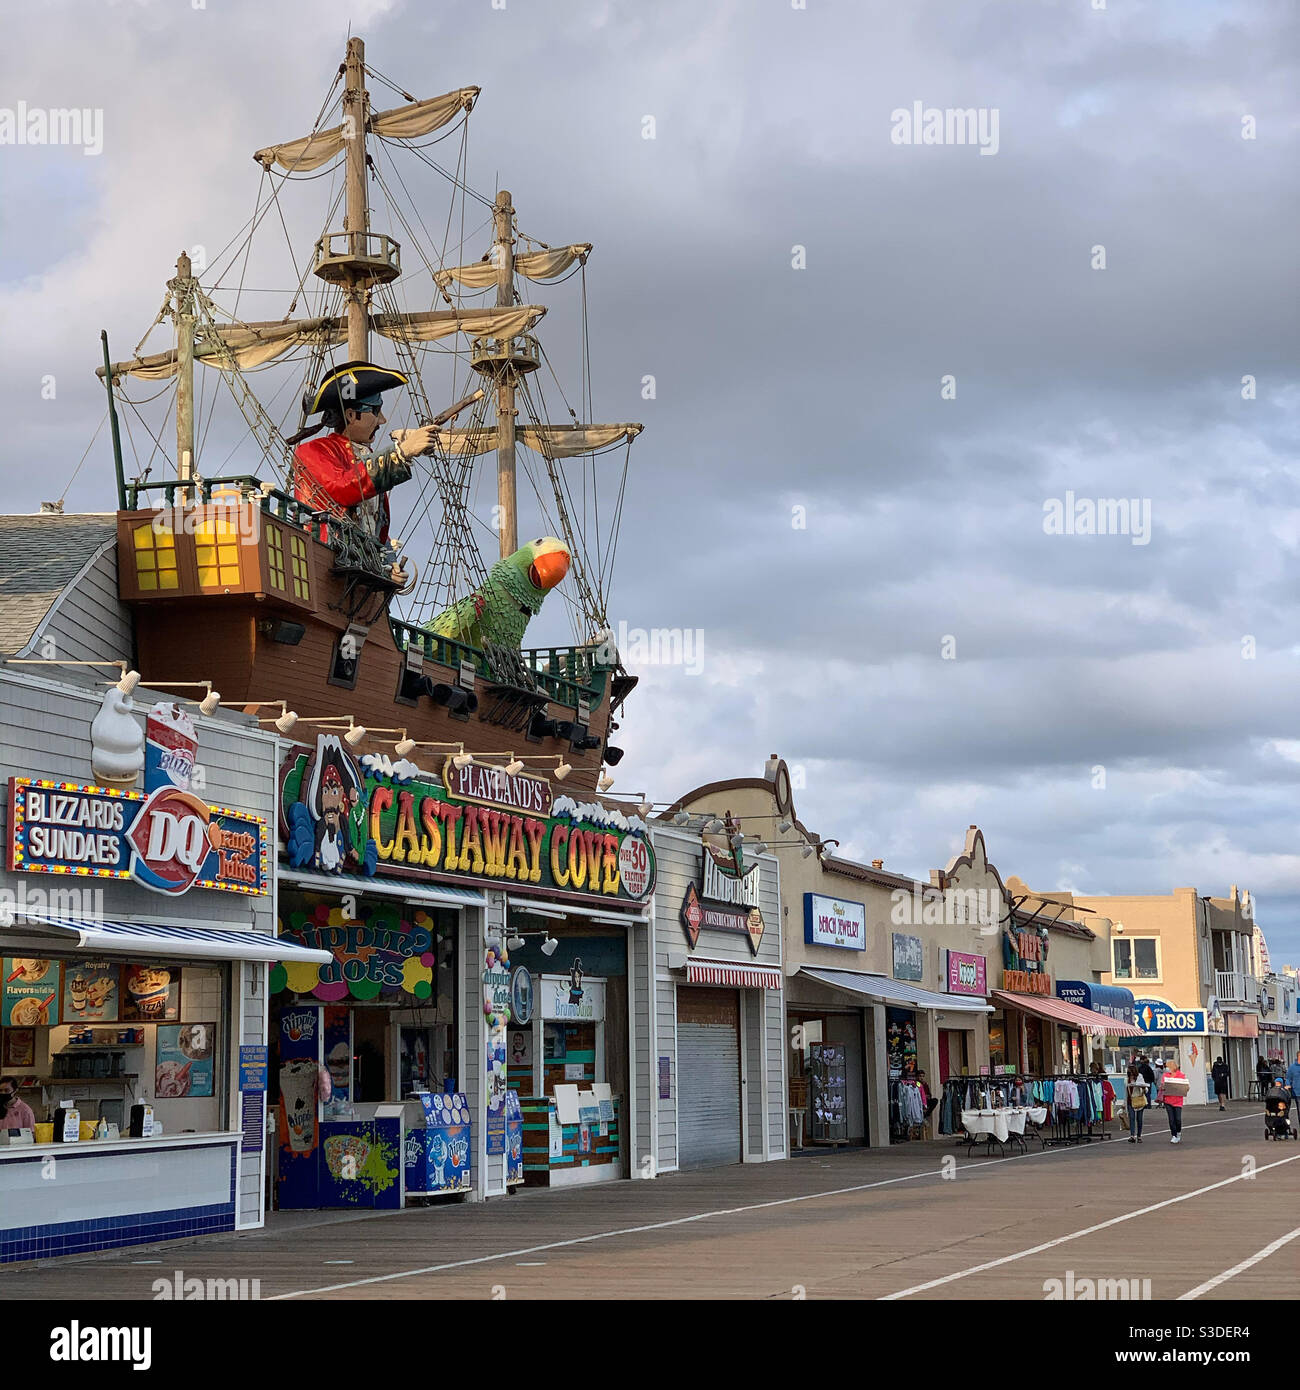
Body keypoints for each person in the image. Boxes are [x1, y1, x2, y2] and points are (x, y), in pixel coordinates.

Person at [288, 360, 439, 545]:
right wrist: (402, 453)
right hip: (327, 552)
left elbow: (372, 524)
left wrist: (389, 562)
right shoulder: (312, 451)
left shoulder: (364, 455)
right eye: (375, 411)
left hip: (359, 561)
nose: (382, 420)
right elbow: (344, 488)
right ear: (351, 415)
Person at [1159, 1059, 1187, 1143]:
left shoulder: (1181, 1075)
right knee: (1171, 1120)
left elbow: (1185, 1086)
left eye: (1168, 1066)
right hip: (1168, 1100)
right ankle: (1174, 1135)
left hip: (1178, 1100)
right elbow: (1162, 1086)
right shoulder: (1165, 1075)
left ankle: (1178, 1132)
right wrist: (1163, 1087)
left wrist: (1186, 1088)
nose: (1167, 1068)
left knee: (1178, 1119)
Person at [1124, 1064, 1149, 1144]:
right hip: (1130, 1101)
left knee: (1139, 1119)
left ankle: (1139, 1136)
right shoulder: (1126, 1079)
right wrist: (1124, 1104)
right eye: (1129, 1073)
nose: (1130, 1074)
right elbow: (1125, 1092)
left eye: (1131, 1072)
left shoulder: (1139, 1077)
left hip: (1139, 1100)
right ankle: (1132, 1135)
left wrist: (1143, 1088)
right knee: (1131, 1118)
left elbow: (1145, 1088)